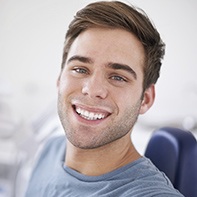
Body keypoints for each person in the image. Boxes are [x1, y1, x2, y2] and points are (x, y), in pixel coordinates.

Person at [25, 1, 184, 196]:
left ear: (146, 99)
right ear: (59, 79)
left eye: (117, 77)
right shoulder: (51, 149)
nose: (92, 90)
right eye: (80, 69)